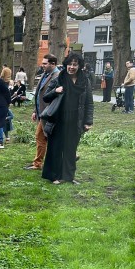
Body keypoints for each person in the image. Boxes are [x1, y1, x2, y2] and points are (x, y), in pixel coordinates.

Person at [41, 52, 93, 184]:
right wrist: (55, 91)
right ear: (66, 65)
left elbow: (89, 102)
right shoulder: (59, 78)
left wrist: (88, 121)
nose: (71, 67)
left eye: (75, 64)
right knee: (56, 148)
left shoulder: (84, 81)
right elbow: (46, 97)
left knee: (71, 149)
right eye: (69, 64)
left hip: (76, 120)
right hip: (59, 119)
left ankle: (68, 177)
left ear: (79, 66)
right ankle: (55, 176)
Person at [25, 54, 59, 170]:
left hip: (50, 114)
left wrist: (50, 113)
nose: (42, 65)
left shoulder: (58, 76)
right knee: (40, 137)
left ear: (53, 64)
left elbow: (56, 97)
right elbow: (40, 94)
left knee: (52, 139)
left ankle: (64, 158)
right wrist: (36, 110)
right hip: (41, 113)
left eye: (45, 63)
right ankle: (38, 163)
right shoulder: (45, 74)